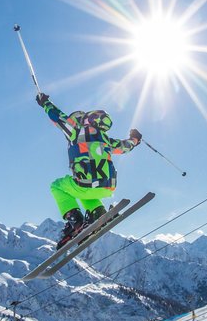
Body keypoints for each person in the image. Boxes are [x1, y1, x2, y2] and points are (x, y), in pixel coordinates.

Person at [36, 92, 141, 247]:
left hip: (86, 183)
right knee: (86, 192)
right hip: (107, 187)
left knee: (57, 186)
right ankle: (99, 214)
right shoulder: (105, 139)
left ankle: (76, 222)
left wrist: (45, 103)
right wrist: (135, 139)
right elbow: (125, 147)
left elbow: (58, 117)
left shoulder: (76, 131)